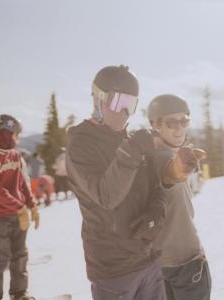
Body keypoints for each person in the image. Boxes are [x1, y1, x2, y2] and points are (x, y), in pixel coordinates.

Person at [65, 65, 167, 300]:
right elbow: (106, 196)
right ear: (97, 99)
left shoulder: (130, 141)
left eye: (129, 104)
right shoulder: (81, 143)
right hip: (113, 271)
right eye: (116, 101)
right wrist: (132, 150)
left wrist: (156, 211)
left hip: (147, 260)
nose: (123, 112)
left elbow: (156, 187)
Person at [148, 94, 211, 300]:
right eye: (171, 122)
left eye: (184, 121)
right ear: (155, 124)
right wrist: (180, 168)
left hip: (159, 264)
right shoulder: (163, 157)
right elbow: (170, 172)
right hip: (186, 262)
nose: (179, 128)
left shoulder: (148, 154)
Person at [0, 114, 40, 300]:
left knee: (20, 254)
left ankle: (19, 293)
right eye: (17, 134)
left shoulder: (15, 154)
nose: (18, 138)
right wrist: (19, 206)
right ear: (8, 133)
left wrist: (32, 206)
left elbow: (23, 183)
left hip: (18, 214)